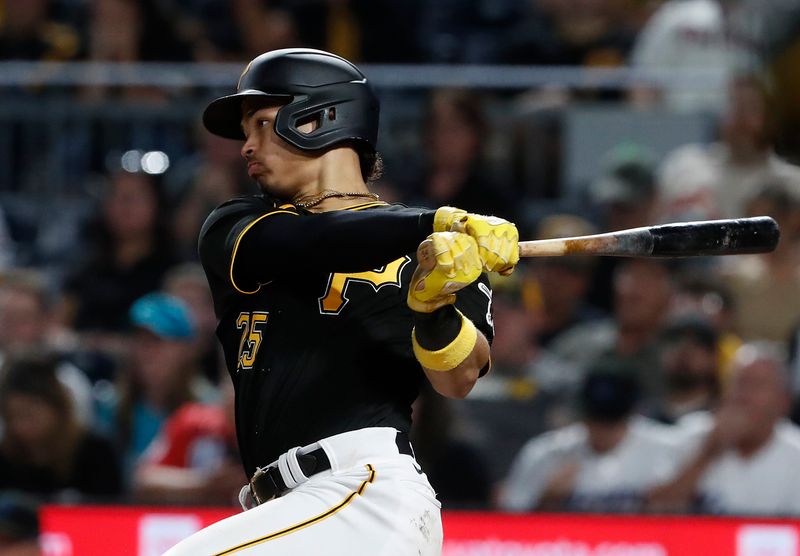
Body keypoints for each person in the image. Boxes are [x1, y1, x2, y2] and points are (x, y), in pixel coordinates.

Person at [166, 48, 518, 555]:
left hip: (364, 493)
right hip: (290, 507)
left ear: (320, 119)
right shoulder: (238, 224)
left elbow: (459, 377)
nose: (247, 147)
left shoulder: (439, 253)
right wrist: (428, 222)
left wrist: (433, 307)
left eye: (263, 124)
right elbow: (311, 242)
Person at [498, 360, 679, 513]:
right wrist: (544, 503)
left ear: (633, 412)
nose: (602, 429)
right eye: (596, 418)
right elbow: (506, 530)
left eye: (611, 421)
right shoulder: (546, 452)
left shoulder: (664, 449)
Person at [647, 342, 800, 515]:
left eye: (756, 385)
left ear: (784, 402)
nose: (743, 396)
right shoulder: (692, 435)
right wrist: (708, 452)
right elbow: (653, 510)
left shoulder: (796, 453)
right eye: (739, 383)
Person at [0, 354, 123, 501]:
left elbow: (111, 513)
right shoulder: (6, 459)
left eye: (30, 414)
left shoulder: (96, 452)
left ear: (58, 408)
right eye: (13, 416)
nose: (21, 426)